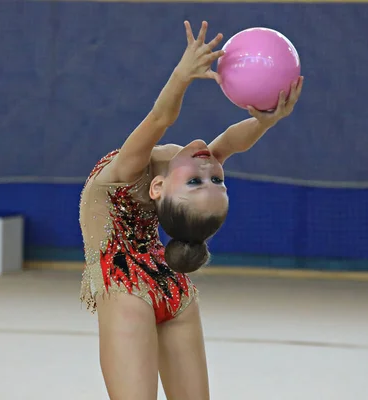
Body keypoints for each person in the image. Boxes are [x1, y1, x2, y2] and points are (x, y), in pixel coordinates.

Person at [79, 20, 303, 400]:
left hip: (127, 288)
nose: (210, 170)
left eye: (199, 182)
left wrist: (182, 75)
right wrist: (266, 121)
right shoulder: (178, 171)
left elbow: (160, 119)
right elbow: (230, 143)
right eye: (218, 181)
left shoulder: (128, 172)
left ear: (159, 188)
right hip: (166, 285)